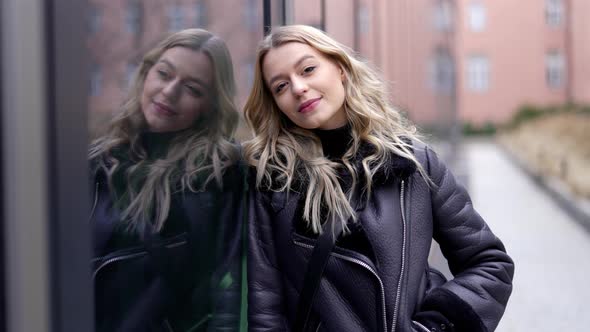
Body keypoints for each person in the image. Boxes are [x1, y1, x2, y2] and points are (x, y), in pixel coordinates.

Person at [243, 25, 514, 332]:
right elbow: (266, 304)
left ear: (341, 68)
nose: (298, 88)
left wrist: (433, 327)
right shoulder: (276, 181)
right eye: (280, 86)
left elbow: (490, 262)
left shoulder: (412, 162)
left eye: (308, 69)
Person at [89, 28, 245, 332]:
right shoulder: (98, 163)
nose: (169, 92)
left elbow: (229, 291)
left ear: (209, 107)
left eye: (192, 89)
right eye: (164, 74)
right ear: (146, 74)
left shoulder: (218, 174)